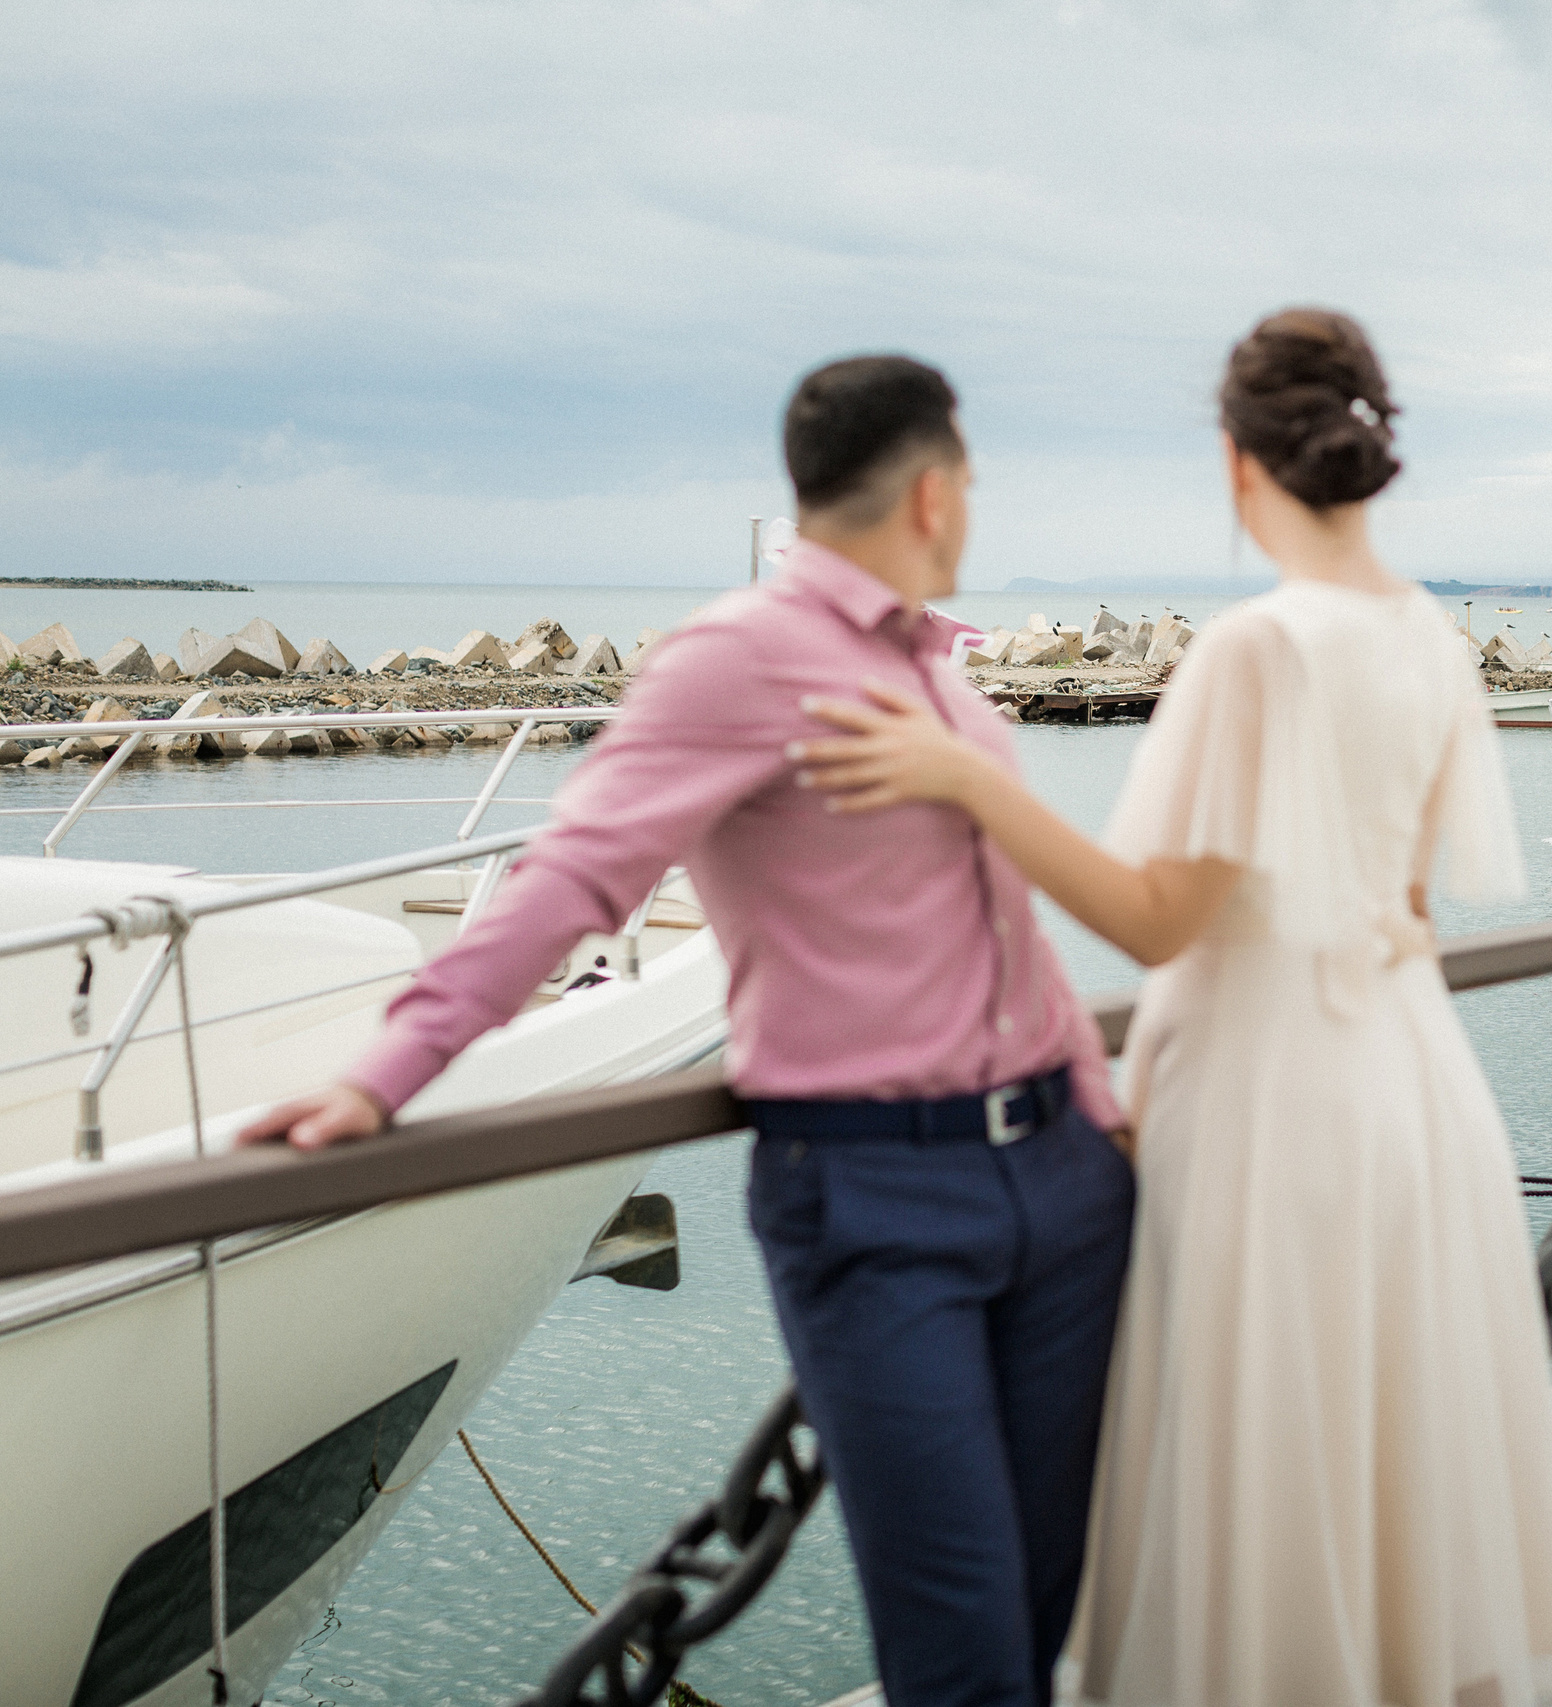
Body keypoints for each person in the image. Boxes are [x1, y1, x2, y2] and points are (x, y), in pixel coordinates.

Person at [240, 357, 1135, 1707]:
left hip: (1064, 1179)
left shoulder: (943, 675)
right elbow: (574, 873)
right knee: (959, 1639)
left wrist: (1100, 1116)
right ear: (939, 490)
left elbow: (1005, 929)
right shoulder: (738, 655)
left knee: (1051, 1600)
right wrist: (385, 1073)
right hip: (880, 1200)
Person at [790, 308, 1552, 1707]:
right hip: (1416, 1096)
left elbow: (1157, 917)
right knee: (1392, 1497)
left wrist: (972, 779)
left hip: (1272, 1103)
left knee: (1268, 1497)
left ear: (1239, 466)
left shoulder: (1257, 651)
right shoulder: (1430, 637)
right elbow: (1406, 901)